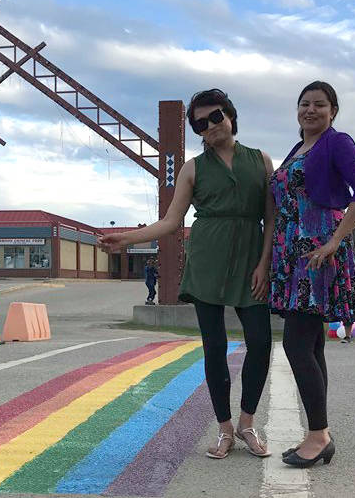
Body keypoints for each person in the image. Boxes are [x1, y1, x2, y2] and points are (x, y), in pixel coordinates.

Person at [99, 88, 274, 459]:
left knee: (260, 342)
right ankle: (225, 429)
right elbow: (170, 222)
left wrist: (264, 263)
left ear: (230, 115)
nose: (210, 126)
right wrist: (126, 239)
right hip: (207, 259)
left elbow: (272, 219)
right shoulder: (193, 167)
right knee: (215, 347)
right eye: (200, 123)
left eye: (216, 117)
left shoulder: (261, 160)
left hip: (250, 260)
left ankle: (247, 424)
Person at [271, 81, 355, 467]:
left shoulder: (337, 142)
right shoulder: (297, 149)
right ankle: (320, 434)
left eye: (319, 104)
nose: (310, 110)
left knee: (297, 345)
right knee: (312, 345)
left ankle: (318, 435)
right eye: (304, 104)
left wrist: (334, 242)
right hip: (291, 253)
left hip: (316, 253)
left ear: (333, 111)